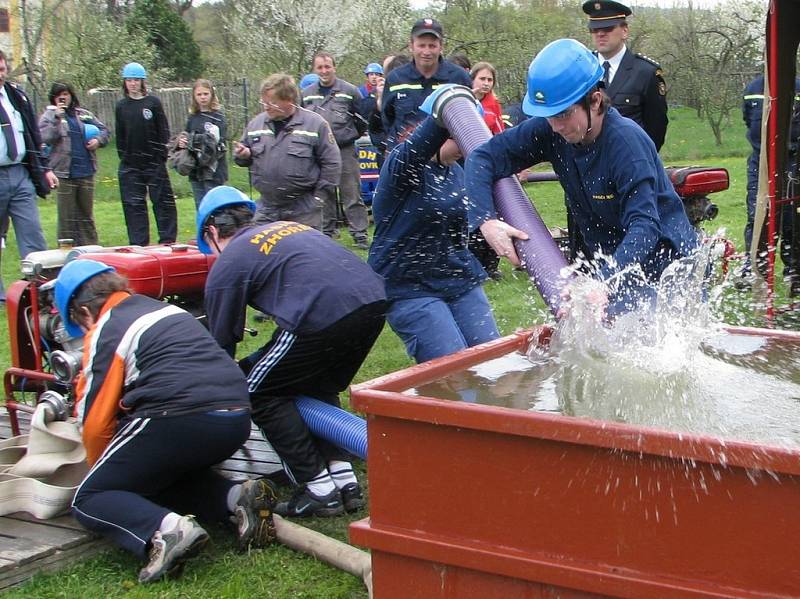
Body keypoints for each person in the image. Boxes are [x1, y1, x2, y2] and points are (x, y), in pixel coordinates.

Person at [53, 259, 277, 584]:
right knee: (156, 479)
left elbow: (96, 420)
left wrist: (103, 471)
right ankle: (237, 499)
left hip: (179, 416)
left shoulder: (105, 329)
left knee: (91, 499)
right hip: (236, 417)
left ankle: (167, 532)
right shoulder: (163, 310)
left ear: (84, 313)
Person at [464, 39, 698, 316]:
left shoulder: (626, 144)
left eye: (563, 114)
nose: (555, 125)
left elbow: (645, 226)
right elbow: (482, 157)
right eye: (547, 115)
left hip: (665, 263)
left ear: (595, 100)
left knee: (659, 348)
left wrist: (604, 280)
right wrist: (485, 219)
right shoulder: (552, 127)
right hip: (607, 258)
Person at [197, 186, 387, 518]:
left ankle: (318, 488)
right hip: (373, 303)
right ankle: (344, 480)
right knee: (315, 384)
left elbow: (221, 348)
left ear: (212, 232)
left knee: (253, 390)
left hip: (321, 314)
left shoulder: (228, 262)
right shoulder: (290, 228)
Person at [369, 110, 499, 363]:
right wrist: (453, 104)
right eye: (458, 138)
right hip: (408, 285)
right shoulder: (402, 167)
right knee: (454, 372)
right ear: (439, 136)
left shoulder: (457, 171)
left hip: (459, 278)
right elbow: (427, 133)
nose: (465, 147)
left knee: (494, 361)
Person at [233, 73, 340, 230]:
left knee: (303, 252)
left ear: (289, 100)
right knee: (262, 252)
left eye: (272, 103)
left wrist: (318, 198)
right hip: (267, 208)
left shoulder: (314, 124)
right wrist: (243, 155)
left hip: (303, 209)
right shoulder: (256, 125)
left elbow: (332, 163)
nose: (266, 106)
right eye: (264, 102)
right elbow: (243, 156)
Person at [0, 50, 56, 302]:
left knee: (32, 232)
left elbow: (32, 135)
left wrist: (44, 169)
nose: (0, 72)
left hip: (20, 174)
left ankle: (38, 290)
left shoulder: (16, 96)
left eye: (2, 68)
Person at [737, 73, 800, 292]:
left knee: (792, 216)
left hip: (791, 158)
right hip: (759, 160)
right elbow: (748, 119)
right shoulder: (753, 87)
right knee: (756, 214)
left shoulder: (797, 86)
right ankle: (752, 266)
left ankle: (793, 270)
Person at [302, 52, 370, 248]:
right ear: (315, 69)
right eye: (320, 67)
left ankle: (360, 234)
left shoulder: (349, 91)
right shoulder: (307, 94)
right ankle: (327, 234)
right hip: (319, 153)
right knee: (324, 194)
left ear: (334, 67)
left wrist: (348, 136)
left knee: (352, 193)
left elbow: (361, 120)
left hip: (345, 149)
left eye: (327, 67)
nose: (324, 71)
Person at [583, 0, 668, 151]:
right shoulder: (582, 69)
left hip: (630, 162)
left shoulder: (645, 72)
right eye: (594, 30)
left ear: (625, 31)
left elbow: (656, 127)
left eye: (607, 28)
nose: (600, 34)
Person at [381, 18, 472, 152]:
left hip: (447, 161)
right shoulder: (395, 78)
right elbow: (387, 120)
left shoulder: (458, 78)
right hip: (404, 158)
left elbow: (468, 121)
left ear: (441, 47)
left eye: (432, 46)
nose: (427, 51)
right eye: (421, 45)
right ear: (411, 46)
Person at [38, 82, 109, 246]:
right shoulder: (49, 117)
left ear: (72, 96)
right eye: (58, 95)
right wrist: (58, 118)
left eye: (66, 94)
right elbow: (43, 137)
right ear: (53, 98)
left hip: (86, 172)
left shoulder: (83, 114)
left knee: (86, 217)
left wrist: (98, 141)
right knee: (66, 219)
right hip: (64, 174)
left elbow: (104, 130)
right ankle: (66, 255)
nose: (62, 98)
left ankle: (91, 252)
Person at [115, 62, 177, 246]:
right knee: (134, 205)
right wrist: (125, 157)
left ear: (143, 82)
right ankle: (138, 242)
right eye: (129, 80)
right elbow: (120, 136)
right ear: (125, 83)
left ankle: (167, 240)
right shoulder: (121, 106)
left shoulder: (153, 103)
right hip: (131, 164)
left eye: (136, 80)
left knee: (163, 201)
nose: (133, 84)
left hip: (153, 162)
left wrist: (160, 156)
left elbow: (162, 131)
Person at [177, 79, 228, 208]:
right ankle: (203, 229)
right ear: (194, 97)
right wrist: (183, 142)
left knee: (215, 207)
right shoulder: (193, 118)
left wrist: (195, 140)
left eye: (206, 94)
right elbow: (187, 136)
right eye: (199, 94)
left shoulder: (218, 117)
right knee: (201, 207)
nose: (203, 97)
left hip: (214, 171)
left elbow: (217, 142)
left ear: (212, 95)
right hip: (195, 170)